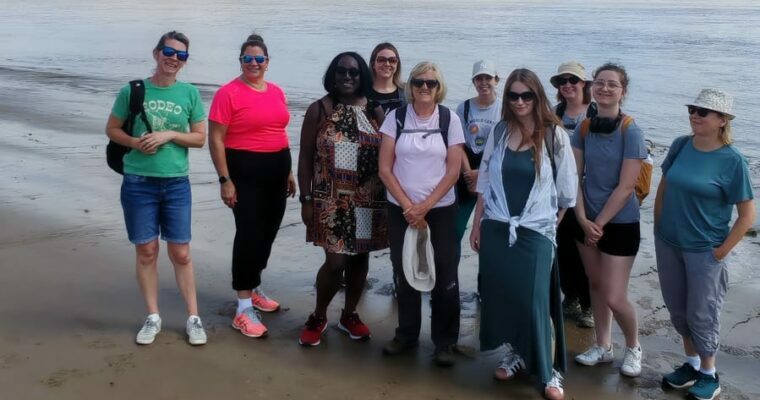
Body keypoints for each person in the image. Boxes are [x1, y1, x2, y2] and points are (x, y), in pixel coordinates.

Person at [470, 68, 577, 400]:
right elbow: (485, 180)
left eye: (526, 95)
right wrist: (477, 224)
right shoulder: (500, 131)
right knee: (507, 297)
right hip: (498, 227)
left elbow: (567, 191)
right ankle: (516, 354)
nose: (519, 101)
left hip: (535, 232)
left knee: (535, 302)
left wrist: (549, 226)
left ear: (537, 96)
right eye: (513, 95)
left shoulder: (553, 134)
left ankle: (549, 371)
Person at [105, 31, 207, 346]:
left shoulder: (189, 93)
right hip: (138, 182)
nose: (174, 58)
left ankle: (193, 318)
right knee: (146, 251)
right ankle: (153, 317)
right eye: (168, 51)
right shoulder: (132, 90)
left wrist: (168, 136)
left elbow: (200, 137)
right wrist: (135, 141)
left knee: (181, 252)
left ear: (185, 61)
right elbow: (112, 129)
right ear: (156, 53)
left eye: (181, 55)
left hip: (176, 182)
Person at [655, 89, 755, 400]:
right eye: (693, 108)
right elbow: (665, 185)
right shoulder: (681, 145)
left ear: (722, 120)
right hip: (669, 242)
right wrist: (658, 227)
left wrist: (721, 251)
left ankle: (710, 374)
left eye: (704, 111)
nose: (695, 115)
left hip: (704, 250)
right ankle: (692, 365)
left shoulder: (733, 160)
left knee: (702, 313)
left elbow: (747, 215)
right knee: (679, 311)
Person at [208, 34, 297, 339]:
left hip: (277, 171)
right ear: (241, 61)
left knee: (268, 232)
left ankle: (255, 286)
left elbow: (280, 131)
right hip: (244, 173)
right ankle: (243, 307)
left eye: (259, 59)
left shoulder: (276, 91)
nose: (254, 63)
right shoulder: (228, 93)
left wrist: (289, 171)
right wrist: (225, 179)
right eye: (248, 58)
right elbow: (216, 139)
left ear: (267, 62)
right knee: (249, 234)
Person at [297, 52, 388, 346]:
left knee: (360, 258)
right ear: (332, 75)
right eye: (341, 72)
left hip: (368, 198)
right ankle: (319, 315)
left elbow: (390, 155)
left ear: (362, 76)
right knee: (336, 263)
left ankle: (349, 314)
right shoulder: (319, 110)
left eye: (353, 72)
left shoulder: (375, 111)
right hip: (330, 199)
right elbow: (304, 159)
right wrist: (306, 199)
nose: (347, 77)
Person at [378, 62, 464, 367]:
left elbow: (454, 170)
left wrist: (425, 207)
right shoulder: (395, 117)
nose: (424, 88)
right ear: (409, 85)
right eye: (418, 82)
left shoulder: (449, 118)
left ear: (439, 86)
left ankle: (445, 341)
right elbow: (385, 169)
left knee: (444, 274)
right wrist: (408, 206)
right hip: (401, 208)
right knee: (405, 271)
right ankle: (406, 334)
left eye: (430, 83)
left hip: (440, 210)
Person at [571, 63, 646, 377]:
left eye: (612, 84)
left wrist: (597, 223)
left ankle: (633, 346)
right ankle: (603, 345)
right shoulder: (583, 128)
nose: (604, 88)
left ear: (623, 92)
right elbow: (573, 177)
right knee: (597, 285)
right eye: (599, 83)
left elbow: (627, 185)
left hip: (619, 223)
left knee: (615, 295)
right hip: (585, 218)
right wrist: (581, 217)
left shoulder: (631, 130)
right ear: (591, 88)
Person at [550, 61, 595, 328]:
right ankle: (571, 298)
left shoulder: (596, 112)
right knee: (562, 249)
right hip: (558, 191)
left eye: (573, 80)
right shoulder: (555, 112)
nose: (567, 85)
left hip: (588, 193)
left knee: (585, 251)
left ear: (583, 84)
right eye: (561, 81)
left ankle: (589, 305)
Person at [454, 60, 501, 252]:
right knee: (454, 231)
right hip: (467, 175)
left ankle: (487, 278)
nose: (483, 83)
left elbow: (503, 149)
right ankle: (449, 279)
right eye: (478, 78)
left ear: (496, 80)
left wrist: (481, 175)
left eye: (488, 78)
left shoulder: (505, 108)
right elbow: (458, 144)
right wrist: (469, 175)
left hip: (491, 173)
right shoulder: (463, 108)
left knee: (489, 232)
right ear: (473, 82)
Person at [368, 42, 405, 114]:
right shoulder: (362, 94)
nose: (387, 64)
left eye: (392, 60)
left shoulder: (407, 93)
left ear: (397, 64)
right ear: (373, 64)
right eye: (381, 60)